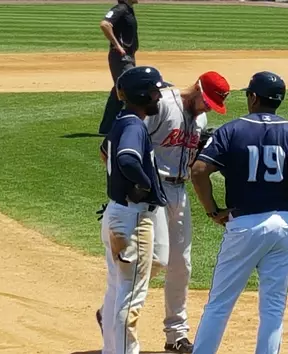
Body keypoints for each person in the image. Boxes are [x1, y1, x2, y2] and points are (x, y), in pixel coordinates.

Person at [189, 71, 288, 354]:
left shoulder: (231, 130)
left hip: (245, 225)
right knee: (273, 306)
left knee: (220, 303)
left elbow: (198, 171)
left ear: (254, 97)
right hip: (283, 226)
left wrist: (212, 211)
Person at [97, 71, 231, 353]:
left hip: (178, 191)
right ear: (197, 87)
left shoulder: (202, 119)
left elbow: (189, 161)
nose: (207, 108)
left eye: (212, 105)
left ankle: (176, 334)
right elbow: (111, 150)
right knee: (154, 261)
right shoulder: (161, 106)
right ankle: (111, 314)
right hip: (152, 193)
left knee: (181, 263)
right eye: (205, 101)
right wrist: (130, 185)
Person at [97, 65, 168, 354]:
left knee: (117, 291)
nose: (158, 97)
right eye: (154, 92)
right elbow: (127, 159)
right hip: (134, 219)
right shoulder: (134, 126)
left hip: (119, 214)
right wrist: (144, 185)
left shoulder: (122, 120)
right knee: (130, 298)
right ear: (141, 94)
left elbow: (107, 153)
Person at [98, 0, 140, 135]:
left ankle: (106, 128)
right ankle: (131, 123)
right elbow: (105, 24)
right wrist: (117, 45)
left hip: (127, 57)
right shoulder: (121, 8)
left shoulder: (128, 9)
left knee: (118, 90)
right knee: (129, 87)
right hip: (121, 57)